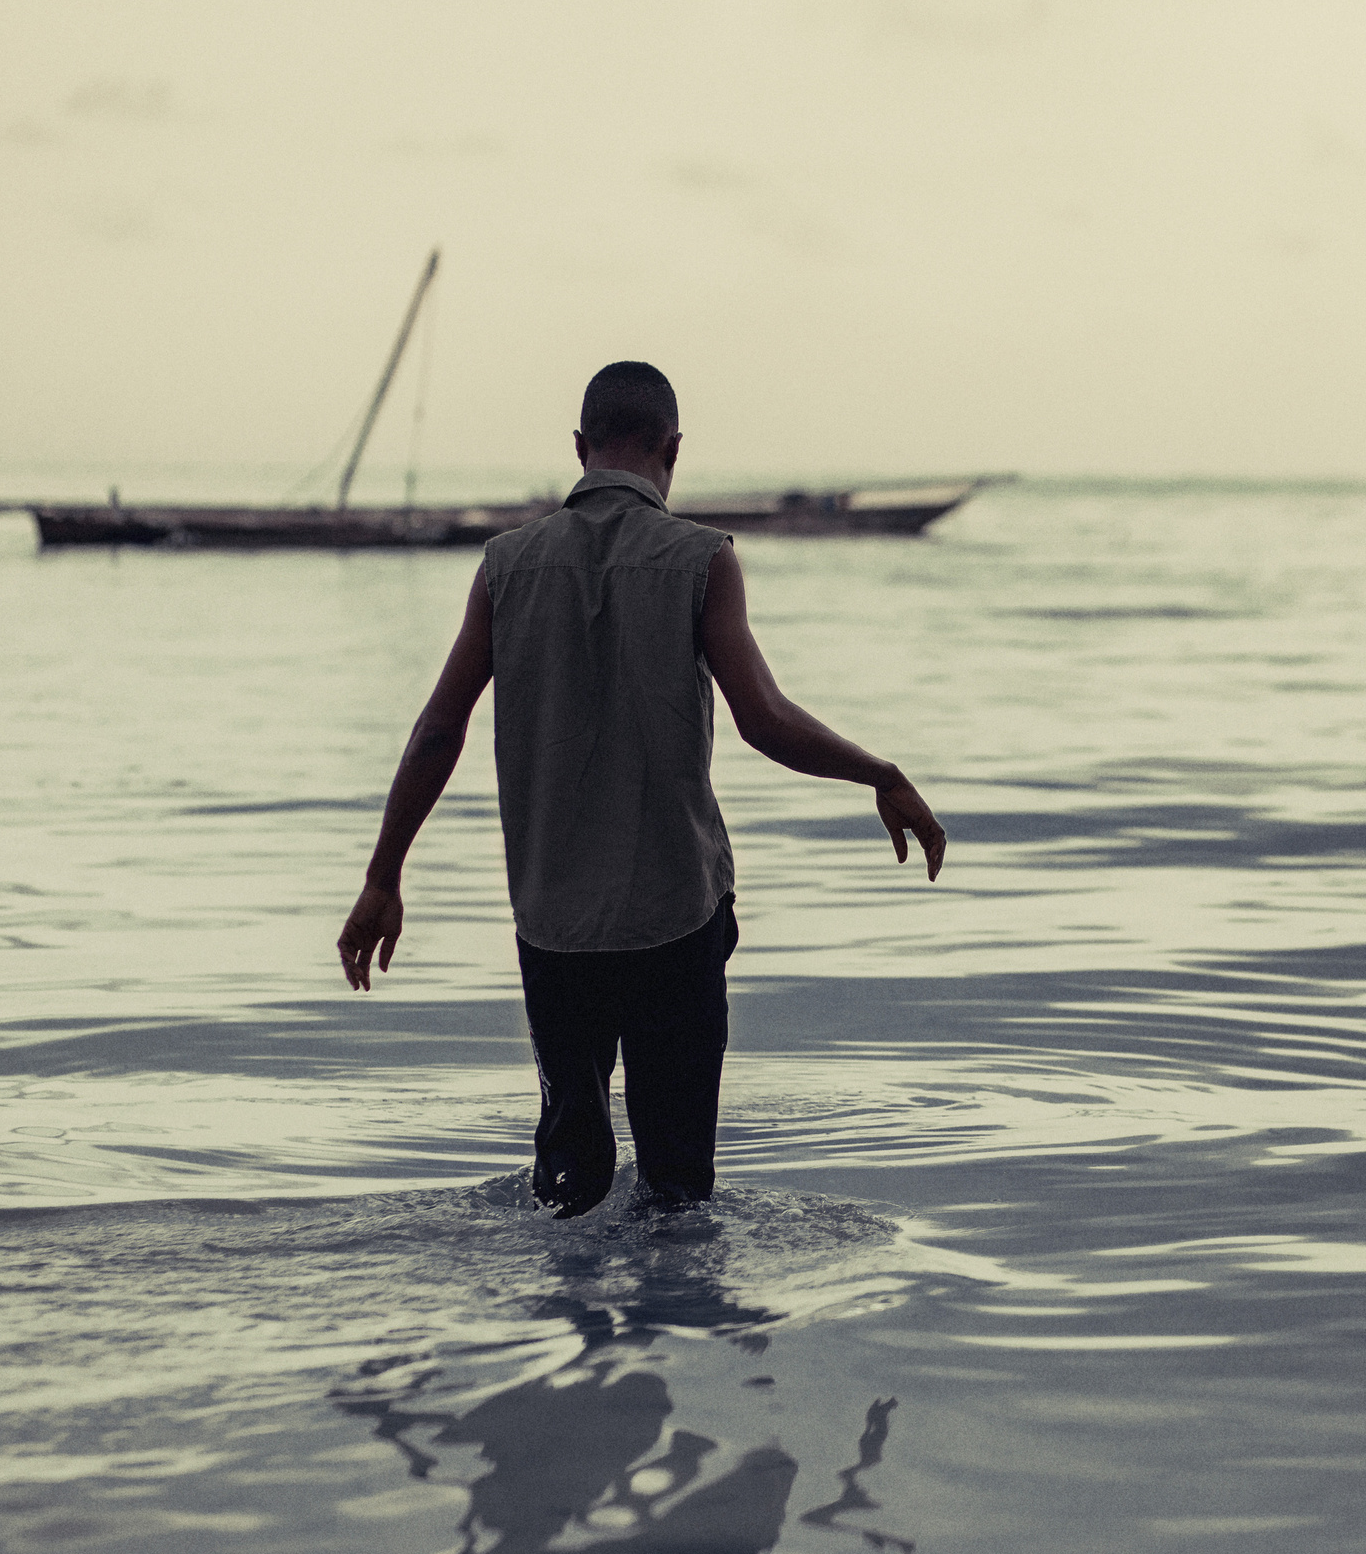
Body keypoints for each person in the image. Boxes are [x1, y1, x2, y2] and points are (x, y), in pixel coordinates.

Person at [335, 361, 946, 1217]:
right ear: (673, 450)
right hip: (674, 920)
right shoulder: (702, 560)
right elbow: (762, 717)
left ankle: (575, 1343)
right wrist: (878, 771)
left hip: (555, 928)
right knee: (677, 1193)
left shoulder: (504, 566)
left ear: (580, 449)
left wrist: (382, 876)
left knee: (568, 1189)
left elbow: (439, 728)